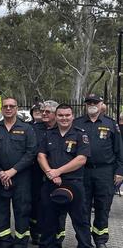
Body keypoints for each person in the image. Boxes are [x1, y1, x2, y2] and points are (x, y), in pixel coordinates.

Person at [37, 104, 93, 248]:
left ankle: (85, 245)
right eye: (60, 115)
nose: (64, 118)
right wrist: (50, 173)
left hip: (74, 183)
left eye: (67, 115)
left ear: (72, 116)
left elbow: (81, 159)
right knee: (48, 220)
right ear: (55, 116)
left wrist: (58, 171)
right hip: (51, 183)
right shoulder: (49, 134)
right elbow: (41, 156)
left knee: (80, 220)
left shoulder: (81, 134)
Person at [73, 94, 123, 248]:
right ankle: (83, 241)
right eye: (89, 102)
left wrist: (120, 171)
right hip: (82, 172)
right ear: (85, 105)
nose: (92, 104)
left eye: (95, 102)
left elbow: (119, 150)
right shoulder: (77, 123)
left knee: (103, 207)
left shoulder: (111, 124)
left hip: (105, 172)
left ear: (102, 104)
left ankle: (100, 240)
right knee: (82, 207)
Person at [0, 98, 37, 247]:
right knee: (0, 212)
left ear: (17, 108)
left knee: (22, 212)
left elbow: (31, 153)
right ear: (2, 109)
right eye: (5, 106)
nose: (8, 108)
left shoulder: (27, 129)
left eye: (11, 106)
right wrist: (1, 172)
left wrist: (12, 171)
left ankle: (21, 243)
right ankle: (4, 243)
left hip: (21, 178)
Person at [30, 100, 65, 245]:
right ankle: (36, 234)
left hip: (59, 175)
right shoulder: (33, 128)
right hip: (36, 174)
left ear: (55, 114)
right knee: (36, 205)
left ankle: (59, 235)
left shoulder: (63, 129)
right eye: (42, 110)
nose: (43, 113)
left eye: (47, 112)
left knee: (59, 205)